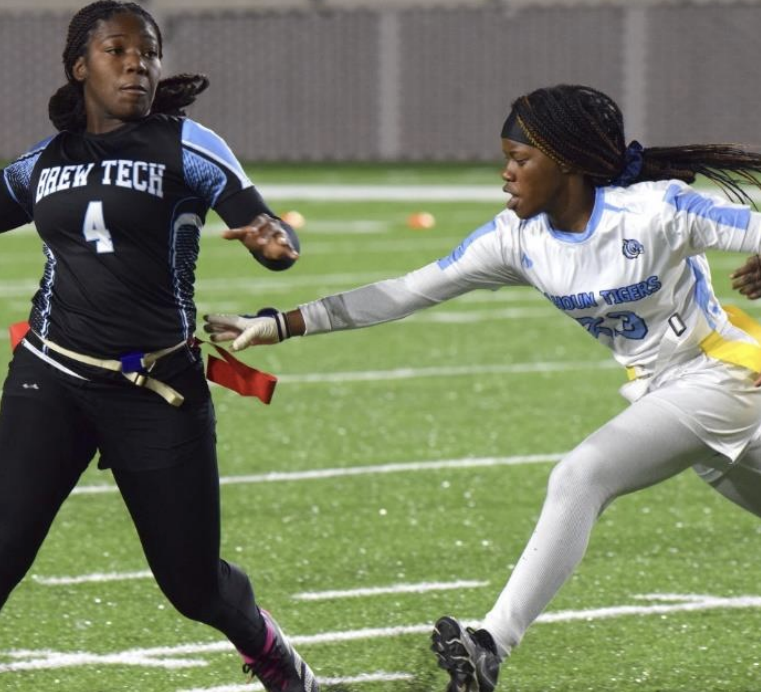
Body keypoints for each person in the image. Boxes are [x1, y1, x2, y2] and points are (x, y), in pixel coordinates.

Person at [204, 83, 761, 692]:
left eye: (521, 160)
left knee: (581, 475)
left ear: (568, 162)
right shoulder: (516, 239)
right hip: (670, 398)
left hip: (723, 376)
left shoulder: (658, 211)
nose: (506, 174)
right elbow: (404, 291)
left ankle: (491, 643)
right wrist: (281, 324)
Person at [0, 0, 319, 692]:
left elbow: (268, 229)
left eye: (148, 51)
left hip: (156, 387)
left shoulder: (188, 144)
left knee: (193, 588)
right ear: (79, 66)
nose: (137, 63)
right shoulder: (47, 160)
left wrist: (277, 244)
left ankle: (270, 651)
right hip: (51, 376)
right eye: (117, 50)